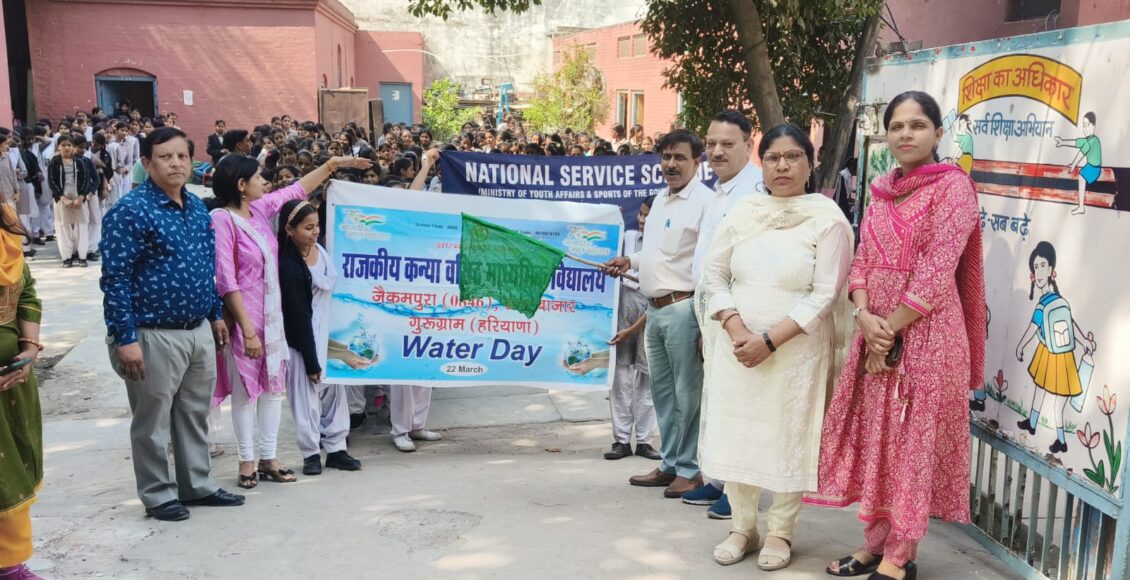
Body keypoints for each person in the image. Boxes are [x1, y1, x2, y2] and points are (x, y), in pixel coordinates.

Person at [809, 91, 986, 580]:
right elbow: (863, 258)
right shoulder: (882, 189)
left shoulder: (954, 189)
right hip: (877, 333)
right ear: (885, 133)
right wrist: (865, 318)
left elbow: (936, 271)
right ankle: (875, 543)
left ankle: (899, 557)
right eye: (897, 126)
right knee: (880, 442)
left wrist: (887, 330)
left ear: (937, 133)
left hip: (929, 338)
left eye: (918, 125)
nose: (906, 134)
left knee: (911, 445)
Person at [698, 124, 853, 570]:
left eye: (793, 156)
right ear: (760, 163)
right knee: (739, 433)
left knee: (789, 435)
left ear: (810, 163)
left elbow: (825, 294)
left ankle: (781, 533)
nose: (782, 166)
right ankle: (742, 528)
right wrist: (734, 327)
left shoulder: (827, 218)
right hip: (738, 349)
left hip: (795, 352)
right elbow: (714, 274)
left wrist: (770, 340)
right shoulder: (743, 211)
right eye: (772, 157)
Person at [101, 127, 246, 522]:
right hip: (151, 334)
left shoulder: (198, 208)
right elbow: (115, 279)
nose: (176, 163)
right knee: (152, 420)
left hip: (197, 328)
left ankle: (196, 484)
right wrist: (125, 339)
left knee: (194, 412)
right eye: (165, 157)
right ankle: (158, 494)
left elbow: (207, 268)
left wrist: (216, 314)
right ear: (147, 163)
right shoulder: (129, 212)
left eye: (182, 156)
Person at [209, 152, 371, 489]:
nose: (264, 182)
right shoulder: (222, 220)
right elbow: (226, 278)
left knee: (271, 391)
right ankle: (247, 461)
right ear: (241, 185)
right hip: (246, 321)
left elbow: (294, 191)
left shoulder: (258, 211)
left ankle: (269, 458)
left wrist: (331, 167)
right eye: (257, 177)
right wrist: (247, 330)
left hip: (273, 319)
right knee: (245, 395)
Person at [603, 129, 712, 499]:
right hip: (655, 310)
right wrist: (628, 260)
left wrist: (704, 320)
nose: (671, 164)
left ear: (697, 161)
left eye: (680, 157)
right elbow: (656, 253)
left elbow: (707, 265)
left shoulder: (706, 203)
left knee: (688, 396)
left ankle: (691, 470)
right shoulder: (662, 201)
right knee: (663, 395)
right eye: (666, 157)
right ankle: (669, 464)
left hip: (683, 309)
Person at [277, 199, 365, 476]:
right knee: (306, 401)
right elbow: (298, 317)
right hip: (302, 342)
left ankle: (337, 449)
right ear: (289, 230)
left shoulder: (321, 250)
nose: (315, 232)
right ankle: (311, 453)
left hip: (326, 334)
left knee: (334, 395)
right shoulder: (289, 267)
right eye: (308, 227)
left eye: (316, 226)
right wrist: (312, 360)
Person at [0, 205, 45, 580]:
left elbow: (27, 294)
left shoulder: (5, 229)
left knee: (12, 464)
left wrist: (29, 351)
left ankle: (9, 564)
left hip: (12, 381)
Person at [602, 196, 659, 461]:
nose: (642, 220)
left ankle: (646, 440)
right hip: (623, 307)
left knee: (649, 379)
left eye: (648, 216)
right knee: (621, 378)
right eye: (641, 214)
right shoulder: (626, 239)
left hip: (652, 311)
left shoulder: (667, 247)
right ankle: (621, 440)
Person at [47, 135, 93, 268]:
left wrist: (81, 197)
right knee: (63, 227)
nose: (67, 148)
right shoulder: (54, 162)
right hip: (62, 198)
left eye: (69, 145)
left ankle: (82, 257)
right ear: (58, 147)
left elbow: (86, 180)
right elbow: (52, 182)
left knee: (82, 227)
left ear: (73, 147)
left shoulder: (80, 162)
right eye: (64, 145)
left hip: (78, 197)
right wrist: (62, 198)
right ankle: (66, 257)